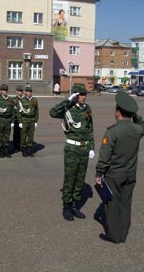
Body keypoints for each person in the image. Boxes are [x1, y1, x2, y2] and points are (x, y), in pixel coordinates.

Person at [95, 92, 144, 244]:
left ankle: (114, 235)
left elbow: (104, 156)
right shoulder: (137, 130)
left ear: (118, 112)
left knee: (112, 205)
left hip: (114, 175)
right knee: (126, 203)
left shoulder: (113, 131)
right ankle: (123, 233)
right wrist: (134, 114)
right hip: (130, 174)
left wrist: (99, 173)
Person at [49, 83, 95, 221]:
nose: (83, 97)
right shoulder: (67, 108)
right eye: (80, 94)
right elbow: (52, 112)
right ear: (75, 96)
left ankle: (75, 205)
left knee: (80, 179)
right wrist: (68, 101)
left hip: (84, 148)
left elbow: (90, 128)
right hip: (72, 149)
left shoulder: (87, 108)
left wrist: (91, 147)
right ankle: (66, 207)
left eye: (84, 94)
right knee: (70, 179)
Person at [0, 84, 15, 158]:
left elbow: (13, 112)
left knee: (7, 136)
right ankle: (1, 151)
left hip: (8, 120)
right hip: (0, 120)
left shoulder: (10, 100)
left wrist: (12, 121)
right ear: (1, 91)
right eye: (3, 90)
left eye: (6, 90)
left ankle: (6, 151)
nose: (5, 92)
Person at [17, 86, 39, 157]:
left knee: (30, 136)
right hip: (24, 120)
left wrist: (36, 121)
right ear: (25, 92)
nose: (29, 93)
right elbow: (19, 113)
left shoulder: (34, 100)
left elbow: (36, 111)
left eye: (30, 92)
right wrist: (20, 122)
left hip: (32, 120)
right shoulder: (22, 100)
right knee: (23, 136)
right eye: (28, 92)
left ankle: (29, 150)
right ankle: (24, 150)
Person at [12, 85, 24, 153]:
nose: (20, 92)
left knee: (22, 134)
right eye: (19, 91)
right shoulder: (14, 100)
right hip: (16, 120)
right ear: (16, 92)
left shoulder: (24, 99)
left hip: (23, 120)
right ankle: (16, 147)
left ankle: (21, 146)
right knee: (16, 134)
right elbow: (13, 110)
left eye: (21, 91)